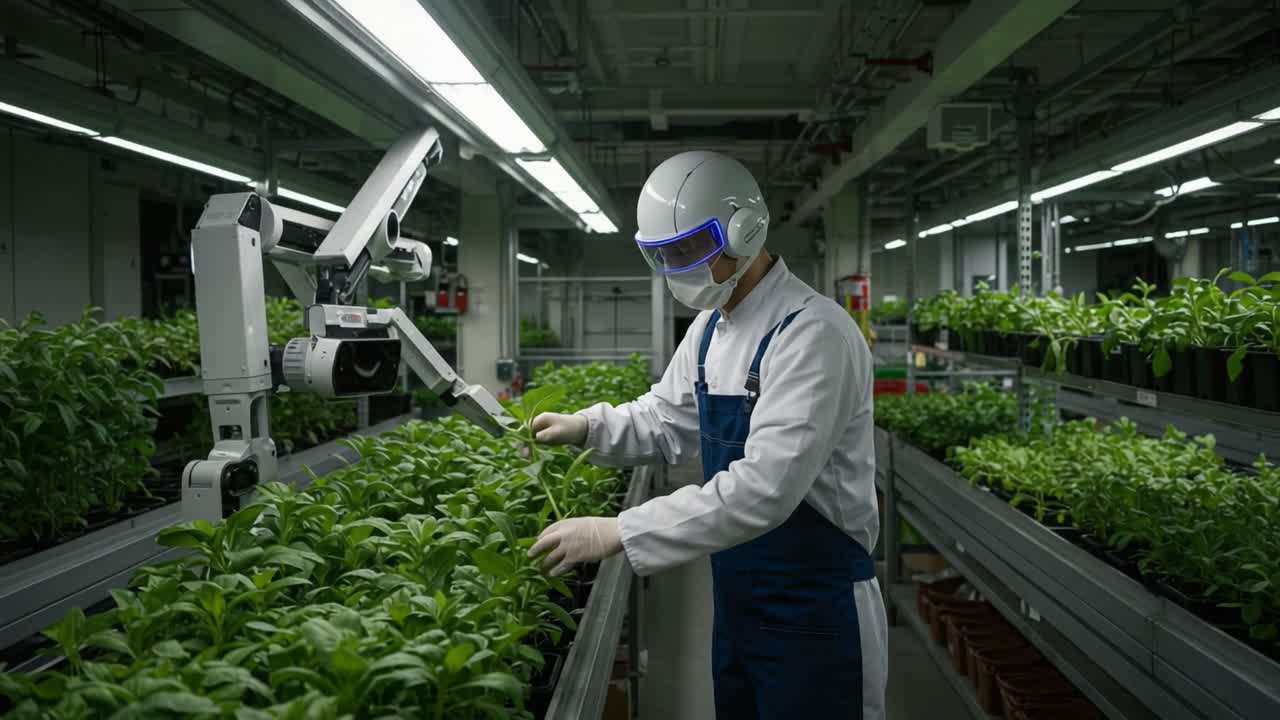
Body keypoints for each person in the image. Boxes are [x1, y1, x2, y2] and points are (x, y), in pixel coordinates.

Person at [527, 150, 887, 720]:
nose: (675, 268)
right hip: (741, 596)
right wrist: (586, 426)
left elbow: (764, 489)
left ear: (744, 231)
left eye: (688, 249)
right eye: (662, 254)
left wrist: (620, 529)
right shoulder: (708, 329)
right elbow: (664, 418)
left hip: (818, 609)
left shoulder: (812, 334)